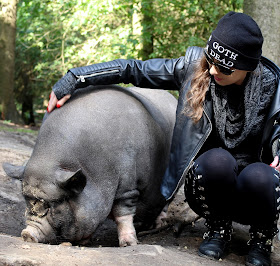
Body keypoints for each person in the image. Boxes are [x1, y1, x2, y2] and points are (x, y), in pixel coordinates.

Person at [47, 11, 280, 266]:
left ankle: (261, 238)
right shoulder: (194, 69)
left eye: (224, 67)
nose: (213, 70)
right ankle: (217, 229)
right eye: (211, 59)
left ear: (248, 66)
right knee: (217, 160)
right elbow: (133, 69)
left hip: (258, 195)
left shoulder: (275, 87)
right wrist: (74, 78)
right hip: (210, 185)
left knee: (260, 174)